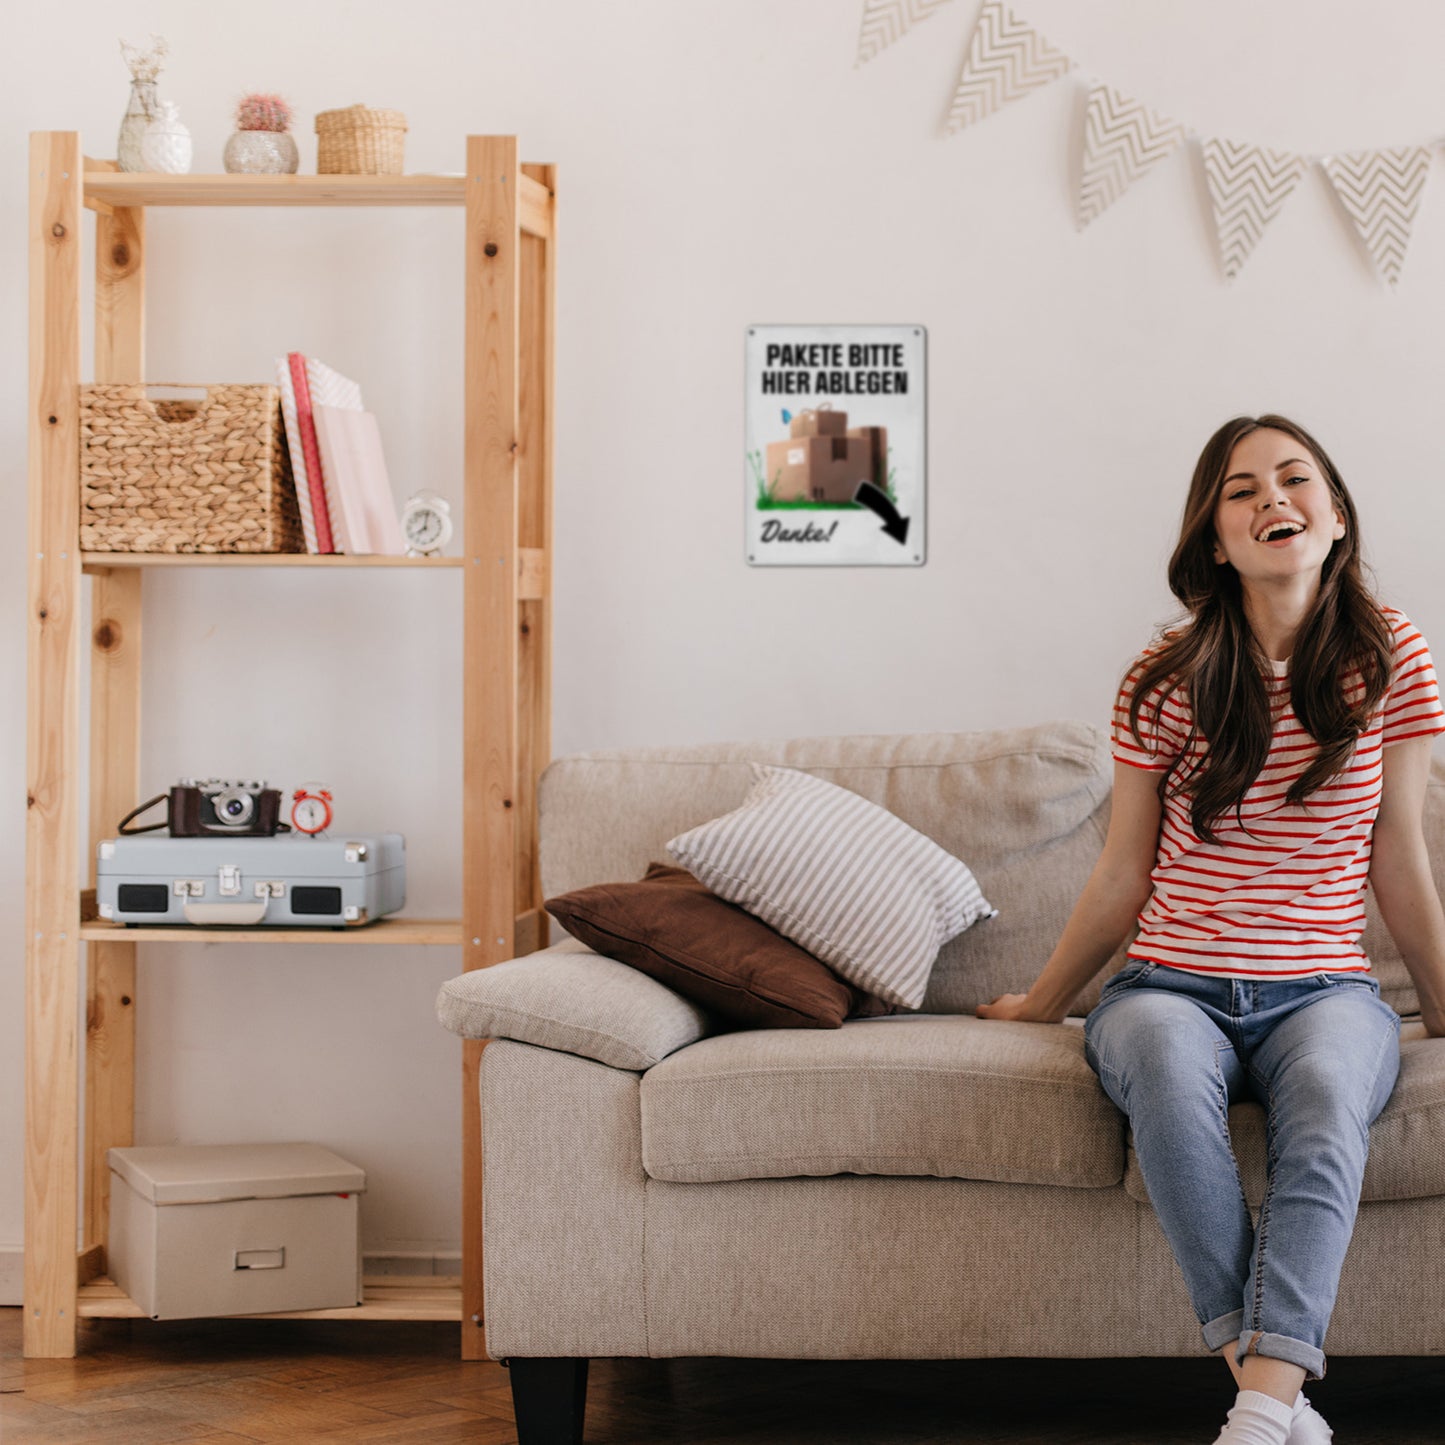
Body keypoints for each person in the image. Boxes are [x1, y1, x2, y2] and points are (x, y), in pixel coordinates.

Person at [976, 414, 1445, 1445]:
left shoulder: (1391, 654)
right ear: (1213, 538)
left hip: (1323, 990)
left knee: (1326, 1096)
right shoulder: (1164, 671)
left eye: (1293, 478)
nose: (1270, 497)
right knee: (1156, 1068)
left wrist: (1444, 1008)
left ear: (1332, 519)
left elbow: (1396, 852)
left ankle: (1257, 1409)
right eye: (1240, 489)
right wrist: (1043, 1003)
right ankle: (1273, 1397)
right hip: (1165, 984)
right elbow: (1122, 870)